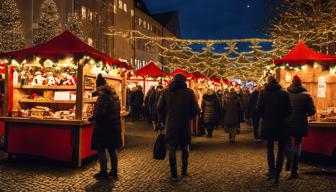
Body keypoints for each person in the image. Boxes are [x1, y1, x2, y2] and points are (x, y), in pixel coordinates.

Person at [157, 74, 199, 181]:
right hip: (184, 124)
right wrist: (189, 117)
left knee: (172, 148)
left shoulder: (166, 91)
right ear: (184, 81)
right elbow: (196, 109)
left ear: (173, 81)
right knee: (185, 147)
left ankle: (174, 174)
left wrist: (164, 119)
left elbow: (159, 108)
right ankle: (184, 171)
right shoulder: (189, 92)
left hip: (171, 124)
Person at [257, 76, 292, 184]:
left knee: (270, 148)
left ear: (268, 82)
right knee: (281, 149)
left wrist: (266, 117)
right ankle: (278, 170)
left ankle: (271, 170)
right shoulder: (285, 93)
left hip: (268, 124)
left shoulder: (263, 93)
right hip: (281, 124)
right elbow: (289, 110)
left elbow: (259, 109)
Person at [89, 74, 122, 180]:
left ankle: (103, 171)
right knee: (112, 149)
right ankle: (114, 171)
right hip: (114, 126)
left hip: (104, 127)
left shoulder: (103, 95)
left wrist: (92, 118)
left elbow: (100, 112)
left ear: (98, 85)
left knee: (101, 149)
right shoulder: (113, 93)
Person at [285, 75, 316, 180]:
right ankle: (294, 171)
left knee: (287, 144)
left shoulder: (286, 94)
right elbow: (312, 111)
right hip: (300, 124)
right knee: (298, 145)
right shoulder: (306, 95)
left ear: (292, 83)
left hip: (287, 123)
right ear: (301, 84)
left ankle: (289, 158)